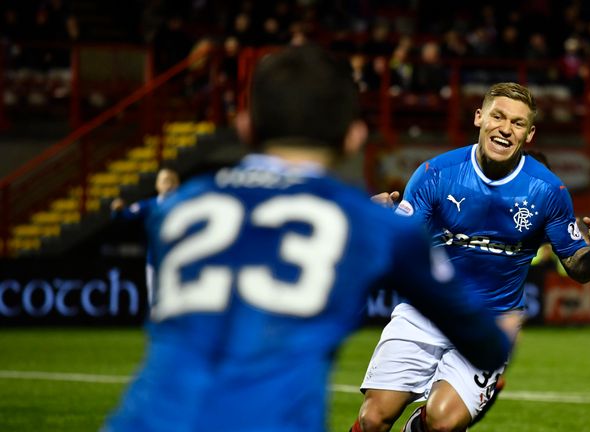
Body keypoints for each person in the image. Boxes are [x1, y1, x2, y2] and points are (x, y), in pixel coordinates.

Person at [102, 44, 511, 432]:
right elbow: (482, 343)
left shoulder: (178, 208)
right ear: (354, 136)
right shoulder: (366, 223)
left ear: (245, 127)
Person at [352, 82, 590, 432]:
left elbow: (579, 269)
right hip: (425, 309)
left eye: (518, 123)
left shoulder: (548, 191)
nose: (506, 128)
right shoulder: (436, 175)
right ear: (479, 117)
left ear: (529, 134)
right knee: (372, 419)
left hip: (489, 322)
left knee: (442, 423)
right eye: (498, 116)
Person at [110, 167, 180, 306]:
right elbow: (125, 216)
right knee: (154, 302)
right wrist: (116, 210)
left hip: (179, 261)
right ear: (157, 185)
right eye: (165, 181)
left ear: (178, 185)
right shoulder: (149, 205)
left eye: (172, 181)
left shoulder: (186, 205)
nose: (169, 185)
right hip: (155, 261)